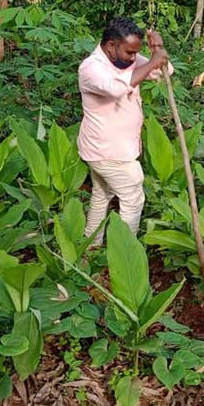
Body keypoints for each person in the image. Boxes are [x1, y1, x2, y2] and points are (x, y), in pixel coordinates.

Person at [77, 17, 172, 246]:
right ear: (111, 45)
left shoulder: (126, 59)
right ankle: (124, 253)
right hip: (107, 152)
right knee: (133, 199)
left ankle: (91, 245)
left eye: (135, 53)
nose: (133, 58)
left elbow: (165, 71)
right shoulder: (91, 68)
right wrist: (150, 62)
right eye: (130, 52)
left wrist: (157, 50)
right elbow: (116, 89)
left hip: (116, 148)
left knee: (102, 195)